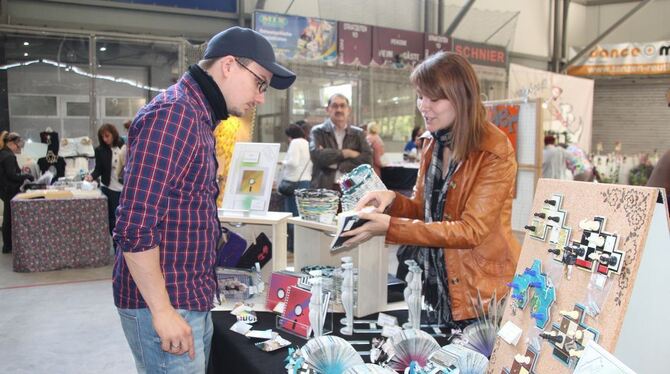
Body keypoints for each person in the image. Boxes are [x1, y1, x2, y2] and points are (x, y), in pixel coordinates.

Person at [112, 27, 295, 373]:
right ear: (229, 65)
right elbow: (134, 225)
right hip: (166, 303)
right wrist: (163, 311)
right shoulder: (175, 114)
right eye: (261, 83)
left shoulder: (196, 115)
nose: (261, 98)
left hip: (187, 296)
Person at [342, 52, 521, 328]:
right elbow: (425, 211)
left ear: (461, 98)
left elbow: (471, 230)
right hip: (439, 286)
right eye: (420, 96)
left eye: (434, 99)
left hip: (481, 293)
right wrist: (392, 202)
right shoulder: (432, 142)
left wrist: (389, 227)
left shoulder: (493, 150)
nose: (423, 107)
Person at [309, 93, 372, 189]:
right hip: (324, 188)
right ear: (327, 109)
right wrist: (348, 153)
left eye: (342, 106)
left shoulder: (358, 134)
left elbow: (367, 161)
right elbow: (317, 157)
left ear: (348, 110)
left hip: (350, 188)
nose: (339, 109)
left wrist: (339, 164)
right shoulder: (318, 131)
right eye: (335, 106)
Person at [85, 124, 127, 242]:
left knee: (123, 217)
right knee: (112, 219)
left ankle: (124, 242)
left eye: (107, 136)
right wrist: (91, 176)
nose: (105, 139)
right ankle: (115, 243)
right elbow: (98, 169)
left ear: (113, 134)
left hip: (124, 188)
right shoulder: (99, 150)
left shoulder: (124, 147)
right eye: (102, 137)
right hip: (109, 188)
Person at [0, 131, 33, 253]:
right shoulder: (8, 156)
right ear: (11, 143)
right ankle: (8, 246)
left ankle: (8, 245)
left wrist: (21, 173)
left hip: (4, 189)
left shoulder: (4, 154)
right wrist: (27, 176)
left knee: (8, 217)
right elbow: (12, 175)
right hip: (9, 190)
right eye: (18, 143)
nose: (19, 147)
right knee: (9, 218)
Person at [280, 124, 312, 216]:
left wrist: (283, 162)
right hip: (306, 181)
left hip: (293, 182)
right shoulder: (307, 143)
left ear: (291, 135)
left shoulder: (295, 142)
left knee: (291, 212)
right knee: (302, 212)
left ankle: (290, 230)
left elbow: (293, 162)